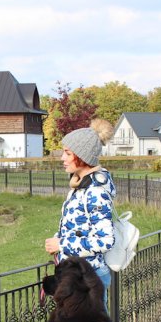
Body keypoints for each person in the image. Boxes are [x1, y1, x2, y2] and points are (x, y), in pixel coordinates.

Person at [44, 126, 116, 308]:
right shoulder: (80, 188)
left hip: (88, 280)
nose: (62, 158)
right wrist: (58, 238)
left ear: (82, 156)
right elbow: (79, 228)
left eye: (68, 153)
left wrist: (62, 245)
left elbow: (105, 240)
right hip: (77, 276)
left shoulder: (95, 193)